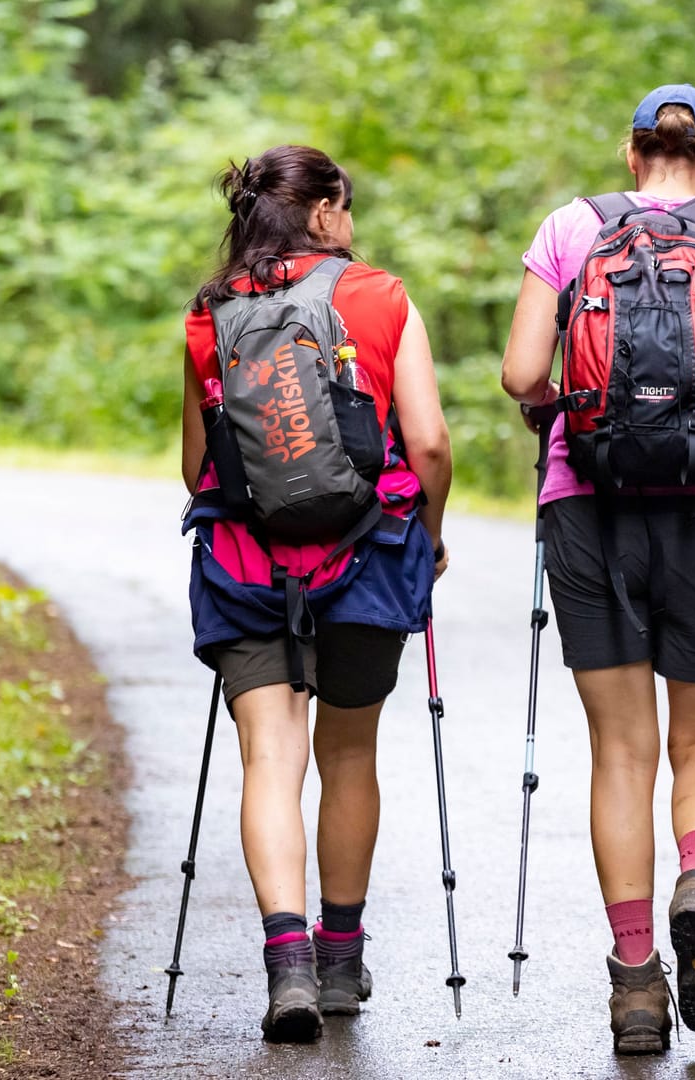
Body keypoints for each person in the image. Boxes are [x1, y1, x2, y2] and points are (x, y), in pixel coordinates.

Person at [499, 84, 695, 1055]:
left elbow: (519, 372)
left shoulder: (569, 229)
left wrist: (563, 417)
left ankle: (636, 984)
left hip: (586, 508)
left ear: (635, 156)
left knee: (621, 752)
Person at [180, 145, 452, 1043]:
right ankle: (340, 958)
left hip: (246, 563)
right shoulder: (380, 297)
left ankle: (286, 961)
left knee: (269, 757)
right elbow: (431, 446)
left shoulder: (211, 312)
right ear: (327, 208)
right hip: (365, 557)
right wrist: (432, 538)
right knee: (347, 754)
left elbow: (196, 466)